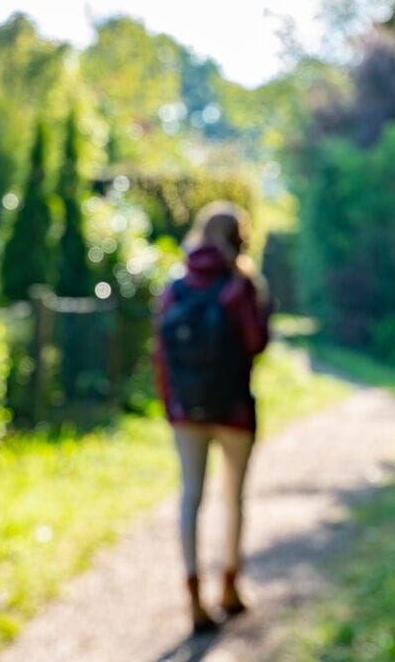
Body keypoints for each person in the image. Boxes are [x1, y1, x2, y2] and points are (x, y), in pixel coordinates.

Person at [154, 201, 271, 634]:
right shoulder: (241, 286)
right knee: (233, 498)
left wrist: (171, 404)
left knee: (191, 498)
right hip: (234, 410)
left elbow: (160, 352)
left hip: (185, 410)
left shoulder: (176, 286)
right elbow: (255, 343)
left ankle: (192, 594)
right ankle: (229, 587)